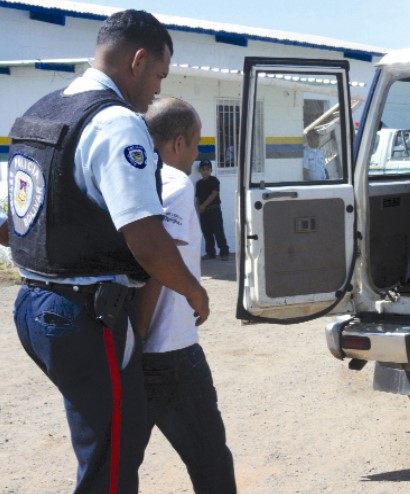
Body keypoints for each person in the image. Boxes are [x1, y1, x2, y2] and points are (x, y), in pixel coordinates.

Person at [6, 10, 209, 493]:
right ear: (138, 60)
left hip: (34, 308)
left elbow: (16, 222)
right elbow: (146, 239)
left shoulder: (44, 111)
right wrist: (194, 292)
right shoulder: (117, 124)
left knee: (105, 440)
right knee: (113, 456)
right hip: (85, 315)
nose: (156, 92)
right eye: (158, 76)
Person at [140, 97, 236, 493]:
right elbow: (153, 261)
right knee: (210, 458)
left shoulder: (133, 179)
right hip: (168, 350)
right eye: (196, 145)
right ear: (178, 143)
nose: (197, 155)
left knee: (117, 462)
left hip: (126, 349)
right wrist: (143, 335)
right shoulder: (176, 184)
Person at [195, 160, 230, 260]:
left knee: (218, 232)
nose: (205, 171)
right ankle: (210, 253)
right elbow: (197, 198)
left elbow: (214, 194)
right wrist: (199, 208)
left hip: (214, 210)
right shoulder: (199, 184)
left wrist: (203, 206)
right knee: (207, 233)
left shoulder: (214, 180)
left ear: (211, 170)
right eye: (203, 169)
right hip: (203, 212)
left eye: (207, 169)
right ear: (200, 170)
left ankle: (224, 253)